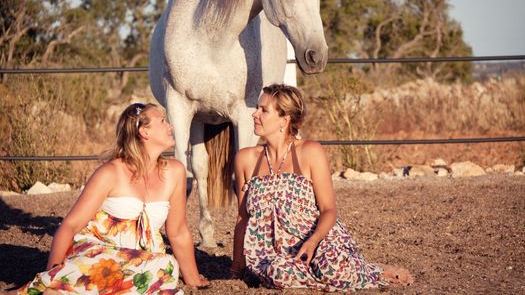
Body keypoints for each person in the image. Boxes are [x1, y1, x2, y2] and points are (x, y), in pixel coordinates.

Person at [9, 103, 209, 294]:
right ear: (144, 132)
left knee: (167, 266)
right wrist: (51, 271)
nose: (170, 125)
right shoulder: (110, 173)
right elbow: (70, 225)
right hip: (97, 254)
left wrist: (193, 279)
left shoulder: (174, 172)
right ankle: (59, 287)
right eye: (163, 121)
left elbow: (178, 231)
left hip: (143, 262)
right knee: (146, 273)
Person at [230, 84, 413, 291]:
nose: (255, 114)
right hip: (274, 253)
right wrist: (237, 268)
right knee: (278, 273)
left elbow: (328, 209)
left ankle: (372, 270)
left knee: (333, 269)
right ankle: (312, 274)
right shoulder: (246, 158)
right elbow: (243, 217)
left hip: (317, 238)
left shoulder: (310, 152)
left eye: (264, 110)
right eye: (257, 108)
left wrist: (313, 241)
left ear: (284, 119)